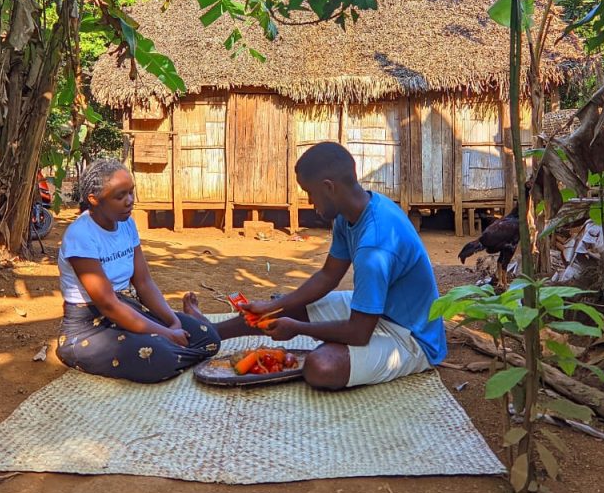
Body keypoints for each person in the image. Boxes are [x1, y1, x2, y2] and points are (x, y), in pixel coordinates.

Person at [185, 142, 446, 389]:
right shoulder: (352, 213)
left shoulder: (374, 246)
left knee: (321, 366)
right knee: (287, 307)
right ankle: (210, 334)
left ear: (329, 187)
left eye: (310, 193)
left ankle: (335, 354)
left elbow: (358, 332)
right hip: (377, 311)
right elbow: (327, 276)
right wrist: (274, 306)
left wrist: (298, 329)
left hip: (410, 336)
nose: (311, 203)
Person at [56, 158, 220, 383]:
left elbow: (143, 283)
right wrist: (167, 334)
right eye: (120, 196)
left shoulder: (127, 224)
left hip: (130, 309)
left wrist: (173, 322)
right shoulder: (81, 235)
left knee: (208, 337)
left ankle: (172, 349)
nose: (129, 201)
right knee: (158, 356)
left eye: (131, 192)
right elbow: (107, 304)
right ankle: (171, 354)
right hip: (90, 327)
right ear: (93, 200)